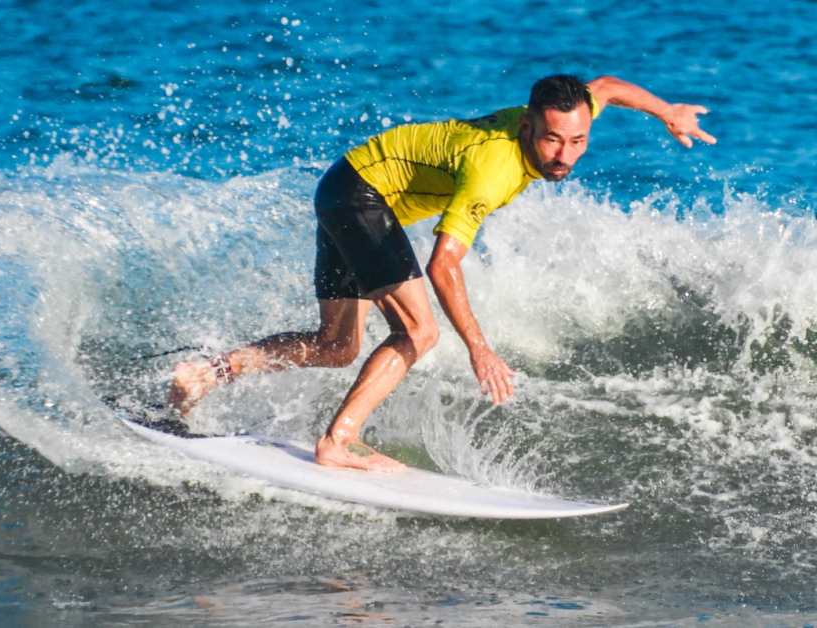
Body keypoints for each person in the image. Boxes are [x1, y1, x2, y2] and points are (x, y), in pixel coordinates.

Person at [168, 74, 716, 473]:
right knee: (419, 333)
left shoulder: (570, 111)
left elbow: (610, 86)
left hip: (341, 186)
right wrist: (479, 347)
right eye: (551, 139)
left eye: (576, 141)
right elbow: (443, 262)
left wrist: (667, 111)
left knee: (336, 345)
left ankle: (207, 373)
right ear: (527, 126)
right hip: (360, 199)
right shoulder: (492, 170)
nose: (563, 155)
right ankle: (340, 440)